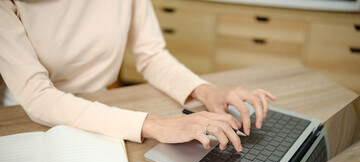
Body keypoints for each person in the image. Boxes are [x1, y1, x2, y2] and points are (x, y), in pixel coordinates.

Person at [0, 0, 275, 152]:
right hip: (29, 121)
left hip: (102, 111)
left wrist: (206, 91)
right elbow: (38, 98)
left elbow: (150, 54)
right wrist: (154, 125)